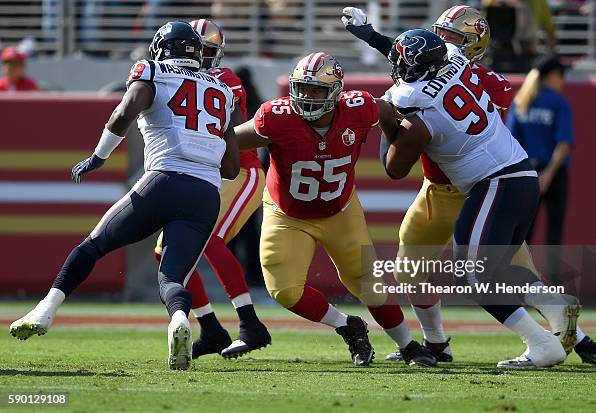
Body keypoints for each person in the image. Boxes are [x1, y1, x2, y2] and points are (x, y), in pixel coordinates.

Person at [342, 5, 596, 366]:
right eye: (441, 33)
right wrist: (372, 36)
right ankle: (436, 342)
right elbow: (410, 53)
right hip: (448, 188)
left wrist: (388, 111)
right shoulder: (452, 59)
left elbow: (398, 154)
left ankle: (578, 343)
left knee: (492, 272)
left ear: (473, 44)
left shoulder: (427, 92)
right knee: (413, 270)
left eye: (452, 36)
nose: (444, 40)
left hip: (481, 185)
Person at [9, 22, 240, 371]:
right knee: (172, 278)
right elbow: (232, 167)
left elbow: (124, 112)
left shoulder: (152, 70)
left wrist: (99, 157)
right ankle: (178, 319)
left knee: (92, 246)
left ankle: (45, 311)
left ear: (162, 48)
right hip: (206, 193)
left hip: (163, 179)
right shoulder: (222, 90)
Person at [233, 52, 437, 367]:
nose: (307, 96)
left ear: (335, 92)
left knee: (369, 284)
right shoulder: (275, 117)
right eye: (302, 88)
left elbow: (388, 114)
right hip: (287, 213)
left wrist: (392, 146)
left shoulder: (359, 108)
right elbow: (230, 142)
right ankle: (346, 325)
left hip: (339, 209)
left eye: (316, 90)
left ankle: (408, 346)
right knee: (284, 290)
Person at [152, 18, 270, 360]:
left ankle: (250, 324)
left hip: (240, 172)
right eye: (193, 49)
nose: (198, 56)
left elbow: (227, 130)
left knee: (208, 240)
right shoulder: (170, 79)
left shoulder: (225, 80)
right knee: (165, 251)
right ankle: (211, 327)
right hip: (206, 176)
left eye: (205, 51)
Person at [507, 57, 571, 277]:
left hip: (526, 173)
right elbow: (563, 143)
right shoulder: (559, 103)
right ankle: (553, 285)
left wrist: (532, 174)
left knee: (524, 233)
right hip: (555, 173)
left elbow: (512, 142)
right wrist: (549, 174)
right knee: (554, 232)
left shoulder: (521, 101)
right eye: (561, 75)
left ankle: (521, 283)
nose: (563, 80)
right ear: (551, 76)